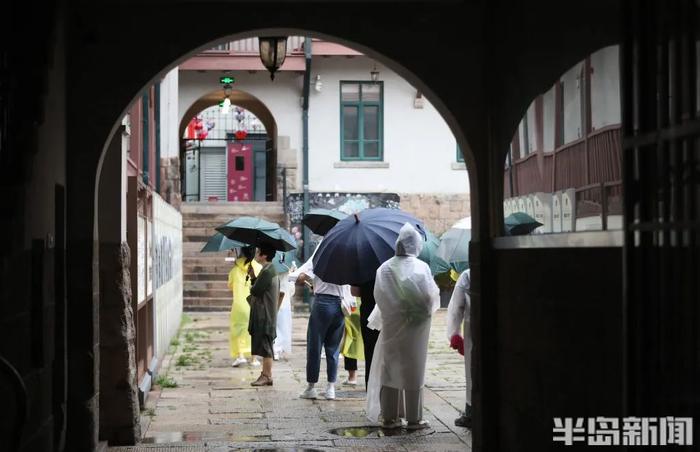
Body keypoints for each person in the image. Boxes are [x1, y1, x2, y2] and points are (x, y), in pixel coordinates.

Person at [366, 223, 440, 430]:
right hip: (417, 329)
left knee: (390, 368)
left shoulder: (385, 268)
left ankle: (390, 416)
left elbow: (380, 297)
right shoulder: (421, 267)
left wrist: (392, 314)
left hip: (392, 326)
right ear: (416, 245)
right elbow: (430, 298)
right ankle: (414, 418)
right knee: (414, 370)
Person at [291, 240, 352, 400]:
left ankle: (311, 387)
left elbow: (302, 276)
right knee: (333, 348)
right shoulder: (348, 255)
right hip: (340, 304)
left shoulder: (322, 251)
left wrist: (301, 277)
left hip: (322, 303)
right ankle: (331, 387)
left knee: (315, 346)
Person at [247, 244, 280, 386]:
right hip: (266, 312)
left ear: (264, 255)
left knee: (266, 346)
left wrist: (252, 283)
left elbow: (255, 291)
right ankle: (267, 375)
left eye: (258, 251)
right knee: (266, 344)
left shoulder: (267, 271)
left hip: (265, 314)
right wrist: (254, 276)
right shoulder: (267, 270)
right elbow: (261, 287)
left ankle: (266, 375)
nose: (256, 254)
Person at [227, 246, 262, 368]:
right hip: (254, 304)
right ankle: (254, 359)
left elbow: (230, 286)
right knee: (254, 331)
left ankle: (241, 356)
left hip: (239, 305)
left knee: (239, 330)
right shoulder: (258, 268)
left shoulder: (235, 270)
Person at [447, 268, 472, 428]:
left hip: (475, 327)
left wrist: (454, 333)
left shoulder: (468, 275)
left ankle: (472, 411)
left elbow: (456, 307)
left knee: (473, 371)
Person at [350, 280, 380, 388]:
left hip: (367, 311)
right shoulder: (387, 267)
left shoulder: (362, 267)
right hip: (385, 311)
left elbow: (354, 292)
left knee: (369, 350)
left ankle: (370, 385)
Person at [273, 259, 296, 360]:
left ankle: (275, 349)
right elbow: (291, 289)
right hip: (285, 301)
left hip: (274, 300)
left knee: (275, 326)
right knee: (283, 327)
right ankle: (279, 348)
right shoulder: (287, 270)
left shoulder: (272, 270)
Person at [340, 296, 364, 386]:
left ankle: (352, 377)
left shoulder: (349, 281)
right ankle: (371, 375)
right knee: (370, 342)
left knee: (350, 340)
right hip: (365, 306)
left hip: (351, 306)